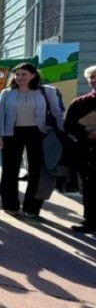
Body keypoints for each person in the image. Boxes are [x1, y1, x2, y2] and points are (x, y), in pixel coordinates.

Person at [0, 62, 64, 218]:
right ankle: (10, 205)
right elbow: (1, 116)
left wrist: (62, 133)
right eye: (17, 74)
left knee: (37, 171)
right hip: (11, 133)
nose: (20, 77)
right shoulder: (7, 93)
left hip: (38, 132)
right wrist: (0, 137)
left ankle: (31, 208)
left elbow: (58, 113)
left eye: (24, 74)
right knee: (9, 170)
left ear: (33, 75)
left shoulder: (48, 91)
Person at [65, 65, 96, 233]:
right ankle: (90, 221)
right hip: (87, 152)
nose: (94, 80)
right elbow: (68, 126)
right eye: (91, 77)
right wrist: (85, 133)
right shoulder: (79, 103)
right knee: (89, 188)